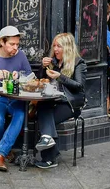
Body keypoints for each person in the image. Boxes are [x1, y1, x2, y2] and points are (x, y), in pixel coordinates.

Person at [0, 25, 32, 172]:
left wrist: (20, 76)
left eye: (17, 44)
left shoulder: (20, 55)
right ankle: (5, 147)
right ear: (2, 42)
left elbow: (29, 76)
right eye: (12, 44)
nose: (15, 48)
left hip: (16, 97)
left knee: (21, 115)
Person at [35, 33, 86, 169]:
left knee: (45, 117)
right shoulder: (53, 62)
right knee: (42, 107)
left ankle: (49, 157)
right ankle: (50, 150)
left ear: (68, 48)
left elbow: (79, 86)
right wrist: (42, 67)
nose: (56, 49)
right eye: (54, 46)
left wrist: (60, 77)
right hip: (53, 100)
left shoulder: (78, 63)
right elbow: (40, 79)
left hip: (70, 103)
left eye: (59, 46)